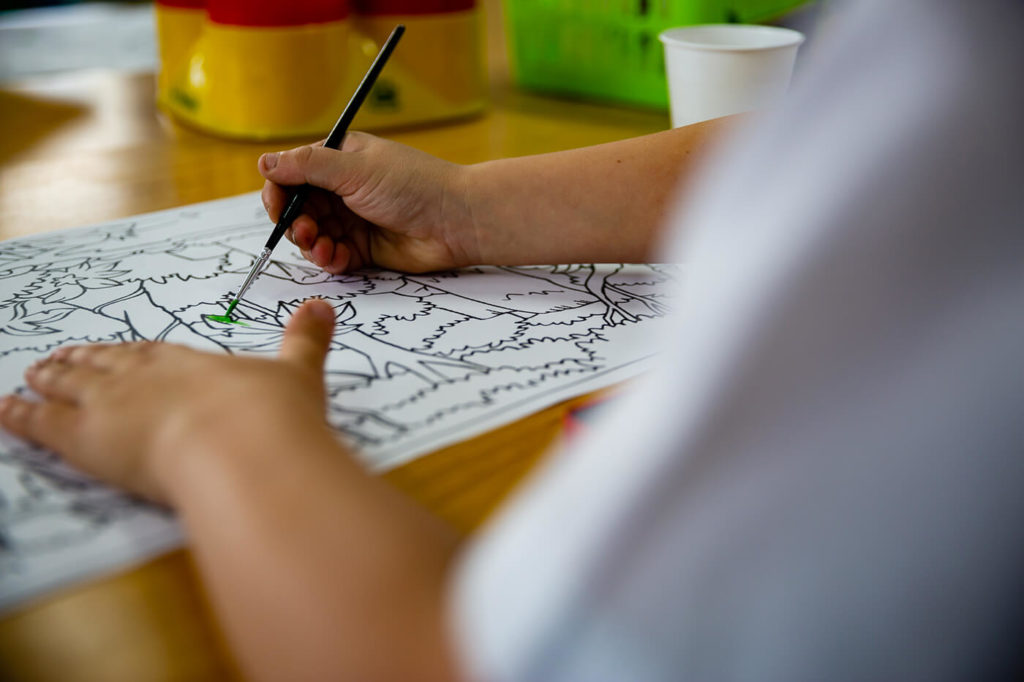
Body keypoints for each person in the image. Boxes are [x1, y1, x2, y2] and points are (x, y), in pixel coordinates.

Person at [2, 0, 1022, 679]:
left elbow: (474, 661)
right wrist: (473, 210)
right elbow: (819, 153)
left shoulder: (971, 70)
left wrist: (211, 431)